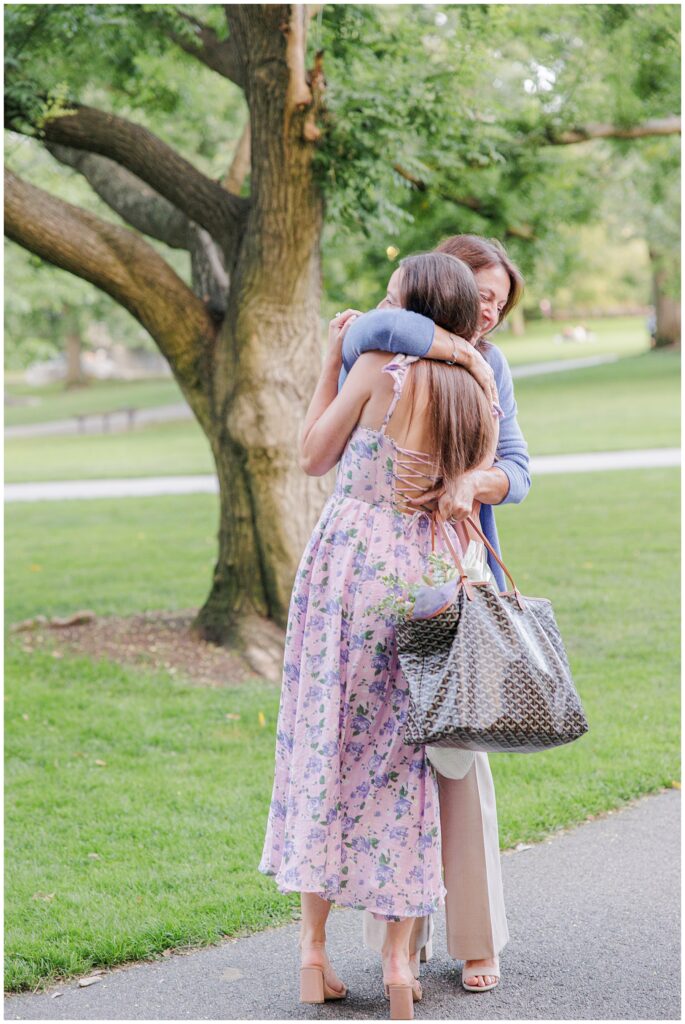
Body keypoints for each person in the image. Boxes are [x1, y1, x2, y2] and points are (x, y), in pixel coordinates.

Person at [259, 251, 501, 1018]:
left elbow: (310, 455)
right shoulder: (478, 391)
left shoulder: (378, 372)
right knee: (405, 770)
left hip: (348, 572)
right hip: (425, 575)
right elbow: (470, 486)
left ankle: (312, 954)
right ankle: (398, 967)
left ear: (415, 309)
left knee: (323, 747)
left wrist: (332, 358)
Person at [340, 234, 531, 993]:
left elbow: (517, 470)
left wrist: (475, 483)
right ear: (445, 285)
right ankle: (400, 945)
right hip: (380, 581)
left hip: (455, 575)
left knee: (457, 754)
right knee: (391, 759)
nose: (489, 312)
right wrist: (442, 336)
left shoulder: (489, 366)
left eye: (499, 305)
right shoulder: (390, 343)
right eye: (479, 294)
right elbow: (365, 329)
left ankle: (476, 938)